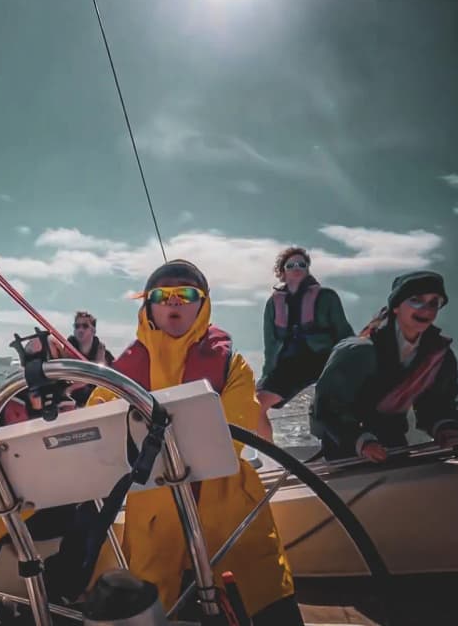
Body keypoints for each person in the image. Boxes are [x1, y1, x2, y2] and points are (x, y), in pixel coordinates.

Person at [86, 259, 303, 626]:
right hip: (156, 527)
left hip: (231, 518)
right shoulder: (119, 375)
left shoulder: (234, 367)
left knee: (261, 607)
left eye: (186, 294)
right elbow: (92, 443)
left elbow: (229, 441)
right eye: (162, 295)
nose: (174, 302)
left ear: (202, 304)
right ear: (148, 305)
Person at [310, 270, 458, 462]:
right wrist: (362, 442)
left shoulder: (438, 354)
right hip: (346, 444)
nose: (426, 309)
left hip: (392, 439)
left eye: (434, 302)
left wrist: (445, 428)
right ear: (396, 307)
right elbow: (327, 406)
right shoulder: (358, 352)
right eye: (416, 300)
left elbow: (437, 402)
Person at [255, 246, 354, 440]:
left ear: (308, 268)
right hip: (289, 364)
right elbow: (270, 343)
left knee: (333, 405)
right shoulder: (272, 303)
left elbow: (344, 332)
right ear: (282, 271)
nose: (297, 267)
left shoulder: (327, 297)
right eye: (291, 265)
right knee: (254, 405)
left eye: (302, 264)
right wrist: (267, 375)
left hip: (322, 358)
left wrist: (351, 363)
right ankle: (272, 455)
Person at [68, 310, 115, 407]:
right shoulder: (66, 351)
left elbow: (113, 383)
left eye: (85, 326)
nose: (80, 330)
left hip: (97, 405)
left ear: (93, 330)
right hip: (72, 405)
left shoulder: (105, 355)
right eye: (77, 326)